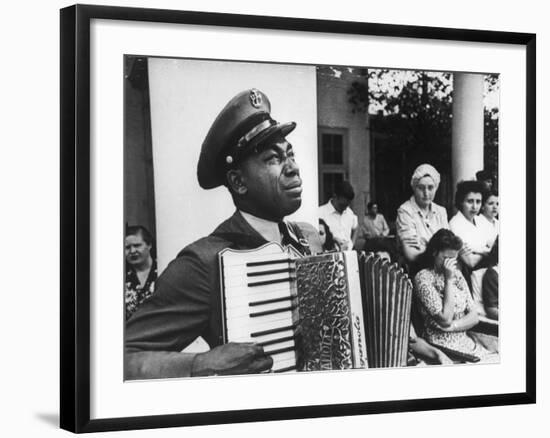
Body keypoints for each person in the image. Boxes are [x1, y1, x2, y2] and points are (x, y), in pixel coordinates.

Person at [125, 89, 322, 379]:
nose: (293, 168)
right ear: (238, 182)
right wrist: (200, 364)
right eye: (273, 158)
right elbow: (121, 357)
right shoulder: (203, 263)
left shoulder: (308, 238)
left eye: (290, 154)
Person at [414, 229, 492, 361]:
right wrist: (448, 280)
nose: (449, 264)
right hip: (442, 347)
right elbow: (445, 319)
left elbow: (474, 317)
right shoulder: (423, 278)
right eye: (445, 258)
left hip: (466, 343)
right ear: (434, 252)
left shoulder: (458, 274)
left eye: (453, 259)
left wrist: (453, 327)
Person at [449, 180, 493, 314]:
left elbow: (494, 245)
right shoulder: (455, 224)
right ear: (461, 201)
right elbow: (470, 261)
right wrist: (487, 250)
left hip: (488, 275)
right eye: (470, 201)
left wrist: (478, 251)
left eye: (478, 202)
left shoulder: (482, 221)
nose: (474, 206)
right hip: (467, 277)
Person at [396, 164, 449, 273]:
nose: (426, 193)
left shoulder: (441, 211)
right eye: (421, 188)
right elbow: (411, 254)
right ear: (414, 188)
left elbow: (450, 247)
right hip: (416, 271)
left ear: (436, 187)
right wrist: (439, 249)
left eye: (430, 187)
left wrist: (424, 245)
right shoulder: (405, 211)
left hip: (442, 269)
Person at [124, 225, 158, 320]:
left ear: (149, 245)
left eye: (137, 245)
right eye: (127, 247)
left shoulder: (163, 271)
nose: (132, 251)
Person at [318, 180, 358, 251]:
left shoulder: (349, 212)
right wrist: (333, 239)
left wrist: (352, 243)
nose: (344, 208)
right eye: (342, 205)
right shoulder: (321, 213)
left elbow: (356, 227)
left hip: (348, 254)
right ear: (335, 196)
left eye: (347, 205)